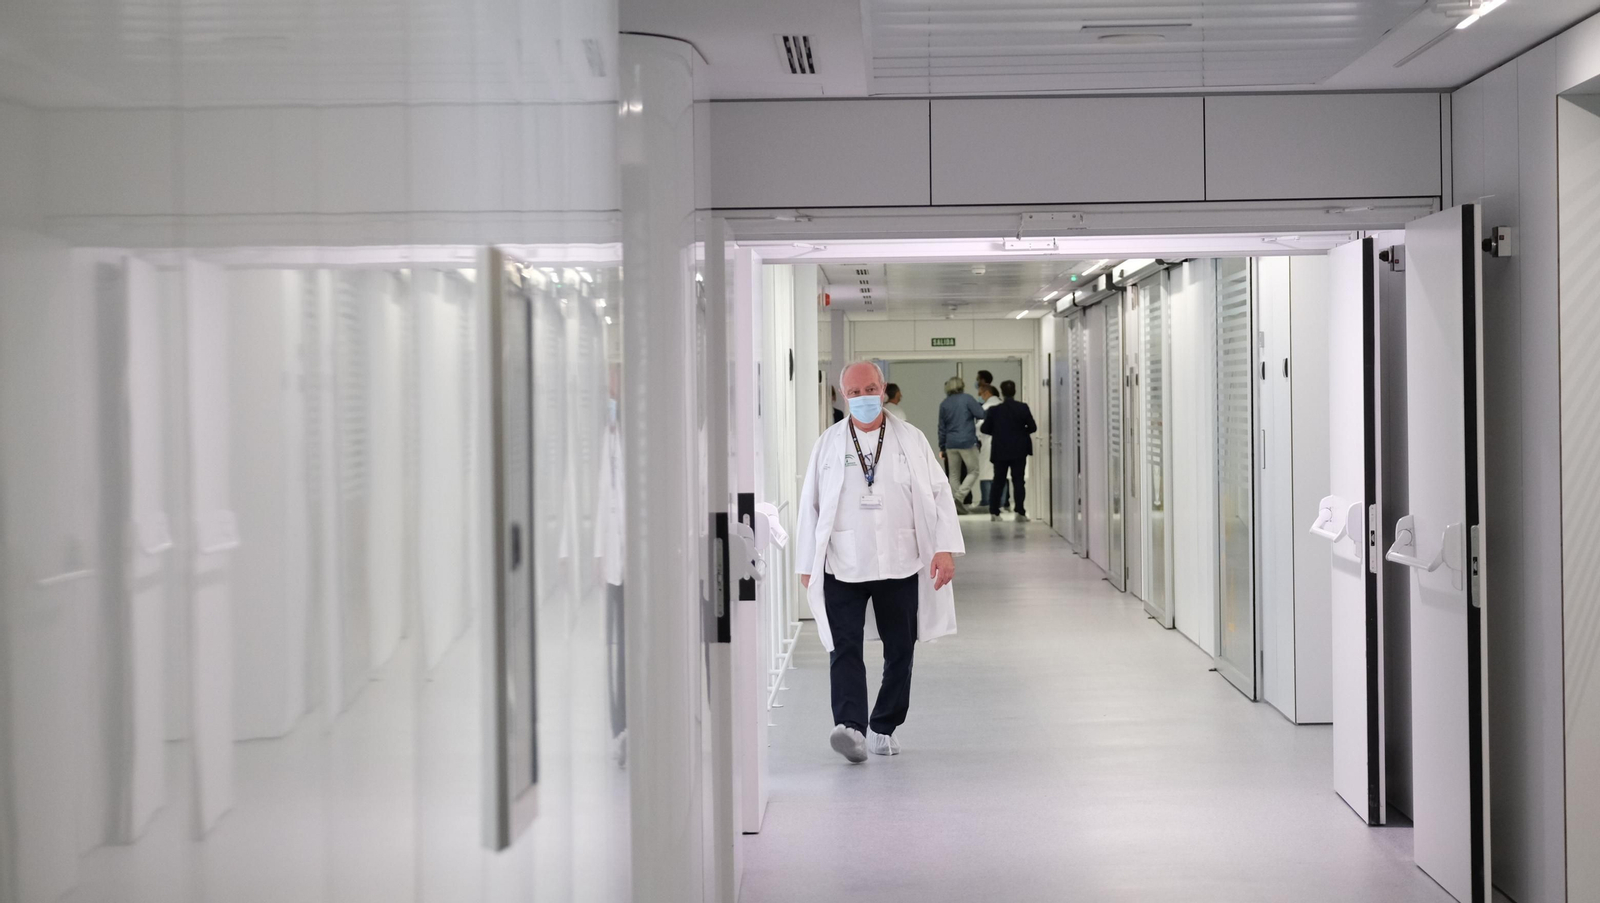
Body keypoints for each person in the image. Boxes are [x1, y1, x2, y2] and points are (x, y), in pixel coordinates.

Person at [797, 361, 963, 763]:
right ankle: (850, 728)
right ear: (843, 396)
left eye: (869, 389)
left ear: (883, 388)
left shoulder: (911, 438)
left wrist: (942, 548)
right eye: (854, 393)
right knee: (844, 646)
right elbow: (810, 504)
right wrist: (806, 563)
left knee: (901, 649)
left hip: (900, 561)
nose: (863, 398)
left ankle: (883, 726)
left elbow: (939, 494)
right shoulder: (830, 443)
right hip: (843, 562)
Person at [980, 380, 1037, 522]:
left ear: (1002, 392)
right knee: (1018, 481)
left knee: (998, 481)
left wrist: (999, 432)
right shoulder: (1022, 408)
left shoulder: (995, 410)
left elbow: (984, 429)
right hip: (1019, 449)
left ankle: (994, 512)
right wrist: (1020, 432)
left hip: (1000, 450)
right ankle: (1020, 512)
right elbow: (1032, 427)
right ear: (1015, 391)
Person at [937, 377, 986, 514]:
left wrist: (942, 446)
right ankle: (959, 498)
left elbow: (941, 427)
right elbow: (980, 414)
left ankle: (957, 502)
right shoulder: (968, 399)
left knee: (953, 475)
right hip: (967, 441)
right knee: (974, 470)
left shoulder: (944, 404)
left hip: (950, 443)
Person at [976, 383, 1010, 512]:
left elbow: (980, 428)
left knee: (986, 474)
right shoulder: (1002, 405)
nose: (980, 397)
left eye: (981, 394)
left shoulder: (985, 408)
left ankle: (987, 501)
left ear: (987, 393)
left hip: (988, 443)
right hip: (1004, 444)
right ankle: (1002, 501)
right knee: (1002, 474)